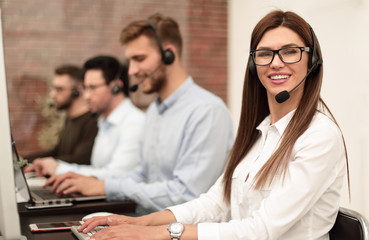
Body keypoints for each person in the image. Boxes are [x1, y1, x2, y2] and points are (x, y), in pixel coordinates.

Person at [77, 10, 349, 240]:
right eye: (265, 54)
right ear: (254, 64)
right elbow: (217, 202)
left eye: (290, 52)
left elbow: (262, 229)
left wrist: (165, 233)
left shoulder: (319, 136)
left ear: (312, 61)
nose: (276, 62)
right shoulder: (260, 132)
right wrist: (142, 223)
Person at [44, 13, 235, 214]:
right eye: (130, 61)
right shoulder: (154, 110)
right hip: (145, 223)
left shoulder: (206, 111)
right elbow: (144, 175)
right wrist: (91, 181)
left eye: (139, 59)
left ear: (168, 54)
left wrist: (107, 187)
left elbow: (186, 195)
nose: (132, 71)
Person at [27, 56, 145, 180]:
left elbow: (117, 176)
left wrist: (58, 169)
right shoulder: (103, 121)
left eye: (92, 88)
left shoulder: (134, 123)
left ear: (116, 86)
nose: (86, 96)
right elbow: (97, 170)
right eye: (85, 88)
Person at [24, 65, 98, 168]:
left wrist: (41, 164)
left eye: (59, 89)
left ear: (78, 90)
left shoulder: (93, 121)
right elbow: (57, 152)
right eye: (53, 88)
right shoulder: (69, 118)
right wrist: (23, 161)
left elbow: (80, 160)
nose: (52, 94)